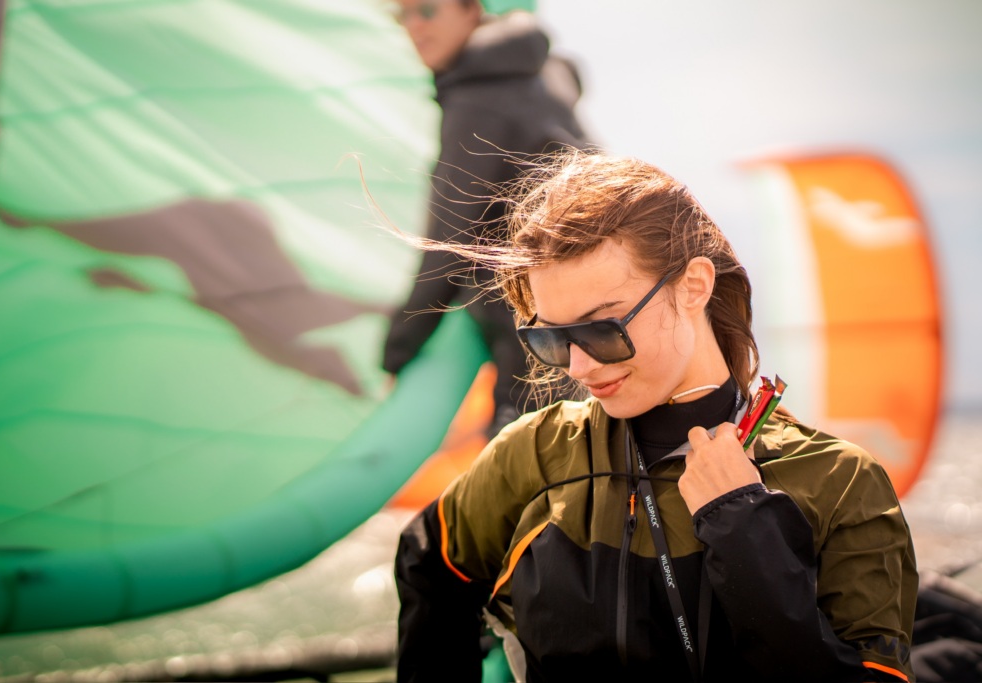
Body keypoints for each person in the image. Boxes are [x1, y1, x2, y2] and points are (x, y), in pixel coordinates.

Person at [394, 153, 918, 682]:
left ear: (693, 286)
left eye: (602, 329)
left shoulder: (839, 481)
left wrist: (742, 527)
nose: (578, 366)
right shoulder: (533, 453)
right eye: (551, 338)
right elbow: (426, 561)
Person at [382, 0, 588, 431]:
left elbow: (447, 242)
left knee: (524, 457)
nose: (414, 26)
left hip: (542, 334)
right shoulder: (541, 75)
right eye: (403, 15)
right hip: (596, 317)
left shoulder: (478, 100)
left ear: (471, 10)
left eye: (427, 11)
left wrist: (397, 352)